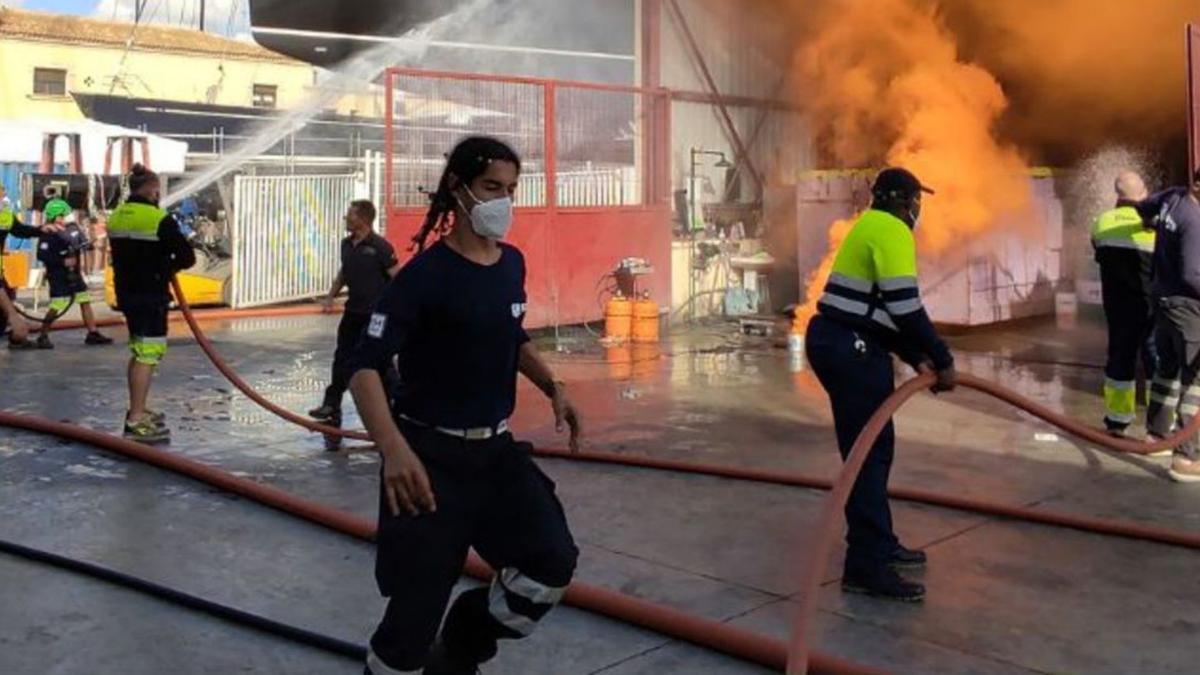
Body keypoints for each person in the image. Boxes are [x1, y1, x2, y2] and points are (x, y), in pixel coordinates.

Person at [348, 136, 582, 675]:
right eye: (491, 188)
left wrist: (553, 386)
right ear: (458, 190)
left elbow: (511, 333)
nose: (503, 201)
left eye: (511, 189)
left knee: (550, 564)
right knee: (411, 620)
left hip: (494, 455)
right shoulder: (424, 279)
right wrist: (395, 451)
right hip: (429, 463)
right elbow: (364, 369)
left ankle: (460, 647)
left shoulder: (510, 264)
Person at [805, 167, 956, 602]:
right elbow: (905, 308)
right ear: (901, 201)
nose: (918, 208)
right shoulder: (891, 230)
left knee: (875, 447)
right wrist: (942, 360)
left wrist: (915, 356)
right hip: (849, 347)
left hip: (844, 339)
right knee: (866, 457)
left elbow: (875, 311)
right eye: (915, 200)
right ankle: (865, 567)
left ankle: (880, 541)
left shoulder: (868, 224)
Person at [106, 164, 196, 444]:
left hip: (127, 294)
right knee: (148, 354)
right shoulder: (158, 218)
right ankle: (135, 420)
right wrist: (166, 264)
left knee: (138, 351)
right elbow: (187, 256)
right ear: (153, 190)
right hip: (152, 294)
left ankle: (139, 408)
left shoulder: (117, 216)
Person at [308, 199, 401, 443]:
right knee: (342, 357)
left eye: (349, 215)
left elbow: (397, 278)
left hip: (375, 316)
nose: (345, 219)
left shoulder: (380, 247)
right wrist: (330, 297)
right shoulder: (346, 245)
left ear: (362, 219)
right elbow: (344, 273)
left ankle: (399, 406)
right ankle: (331, 405)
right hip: (353, 312)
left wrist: (394, 308)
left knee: (379, 362)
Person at [1140, 168, 1200, 482]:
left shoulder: (1172, 197)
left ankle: (1157, 437)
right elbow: (1193, 275)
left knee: (1167, 369)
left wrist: (1151, 223)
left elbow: (1143, 207)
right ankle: (1187, 457)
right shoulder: (1194, 219)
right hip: (1187, 307)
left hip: (1162, 300)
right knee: (1195, 380)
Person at [1091, 171, 1160, 439]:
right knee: (1155, 361)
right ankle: (1159, 422)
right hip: (1151, 306)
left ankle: (1117, 422)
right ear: (1143, 191)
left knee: (1120, 360)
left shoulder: (1101, 221)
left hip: (1118, 307)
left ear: (1117, 194)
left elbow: (1098, 251)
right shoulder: (1153, 223)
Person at [35, 198, 112, 349]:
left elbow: (83, 244)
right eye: (65, 215)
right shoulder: (48, 233)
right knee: (57, 305)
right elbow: (42, 255)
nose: (68, 217)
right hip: (58, 276)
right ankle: (43, 335)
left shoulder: (73, 229)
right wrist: (61, 261)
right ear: (56, 216)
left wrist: (92, 242)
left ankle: (93, 332)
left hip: (75, 275)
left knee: (84, 300)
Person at [0, 184, 53, 349]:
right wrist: (14, 316)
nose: (3, 199)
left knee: (5, 305)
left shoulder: (6, 214)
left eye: (2, 195)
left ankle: (15, 336)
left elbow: (20, 230)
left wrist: (41, 230)